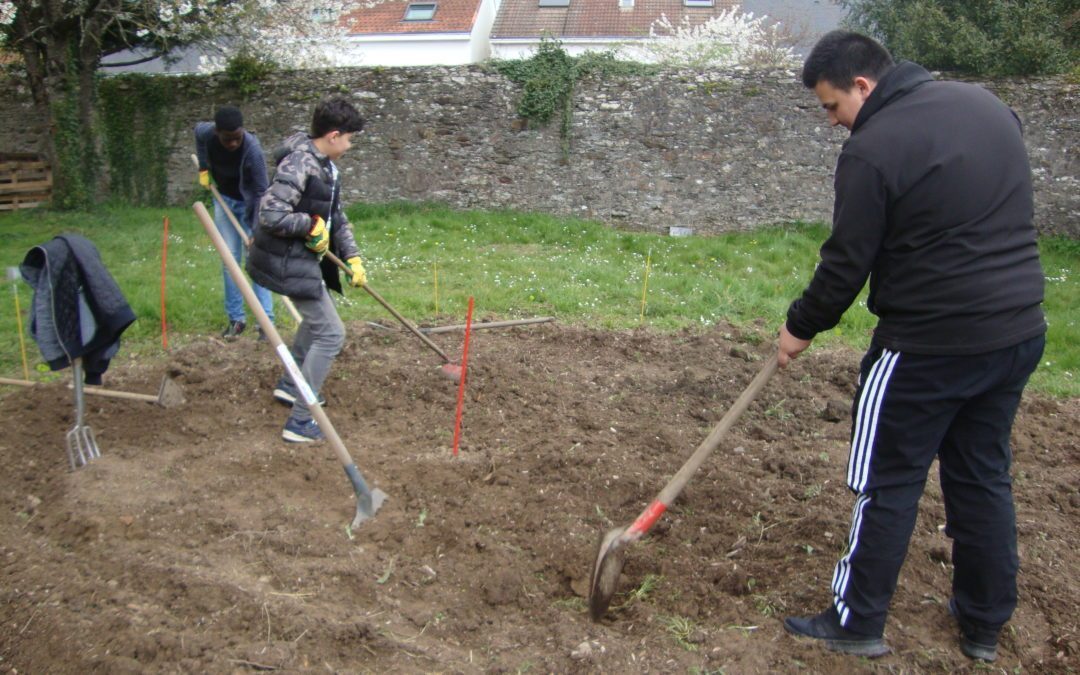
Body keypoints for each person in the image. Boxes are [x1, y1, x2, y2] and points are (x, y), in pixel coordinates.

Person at [777, 31, 1046, 662]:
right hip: (1017, 332)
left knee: (886, 480)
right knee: (981, 474)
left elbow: (845, 264)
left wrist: (799, 327)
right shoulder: (986, 105)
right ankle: (983, 624)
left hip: (927, 344)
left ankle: (855, 620)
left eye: (831, 107)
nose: (833, 122)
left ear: (862, 87)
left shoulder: (873, 149)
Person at [247, 97, 368, 443]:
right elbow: (270, 215)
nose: (350, 144)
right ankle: (301, 420)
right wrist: (310, 225)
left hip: (301, 261)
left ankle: (290, 384)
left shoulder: (327, 166)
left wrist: (353, 258)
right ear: (333, 135)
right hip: (285, 262)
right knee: (331, 333)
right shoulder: (298, 164)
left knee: (318, 325)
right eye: (349, 138)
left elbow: (337, 216)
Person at [194, 105, 275, 339]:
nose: (232, 144)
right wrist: (203, 167)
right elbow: (197, 134)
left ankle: (265, 324)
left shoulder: (252, 150)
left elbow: (261, 191)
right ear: (217, 132)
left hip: (250, 205)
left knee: (256, 261)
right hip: (224, 200)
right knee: (229, 261)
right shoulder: (207, 132)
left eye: (237, 138)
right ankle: (236, 320)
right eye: (227, 139)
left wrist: (257, 230)